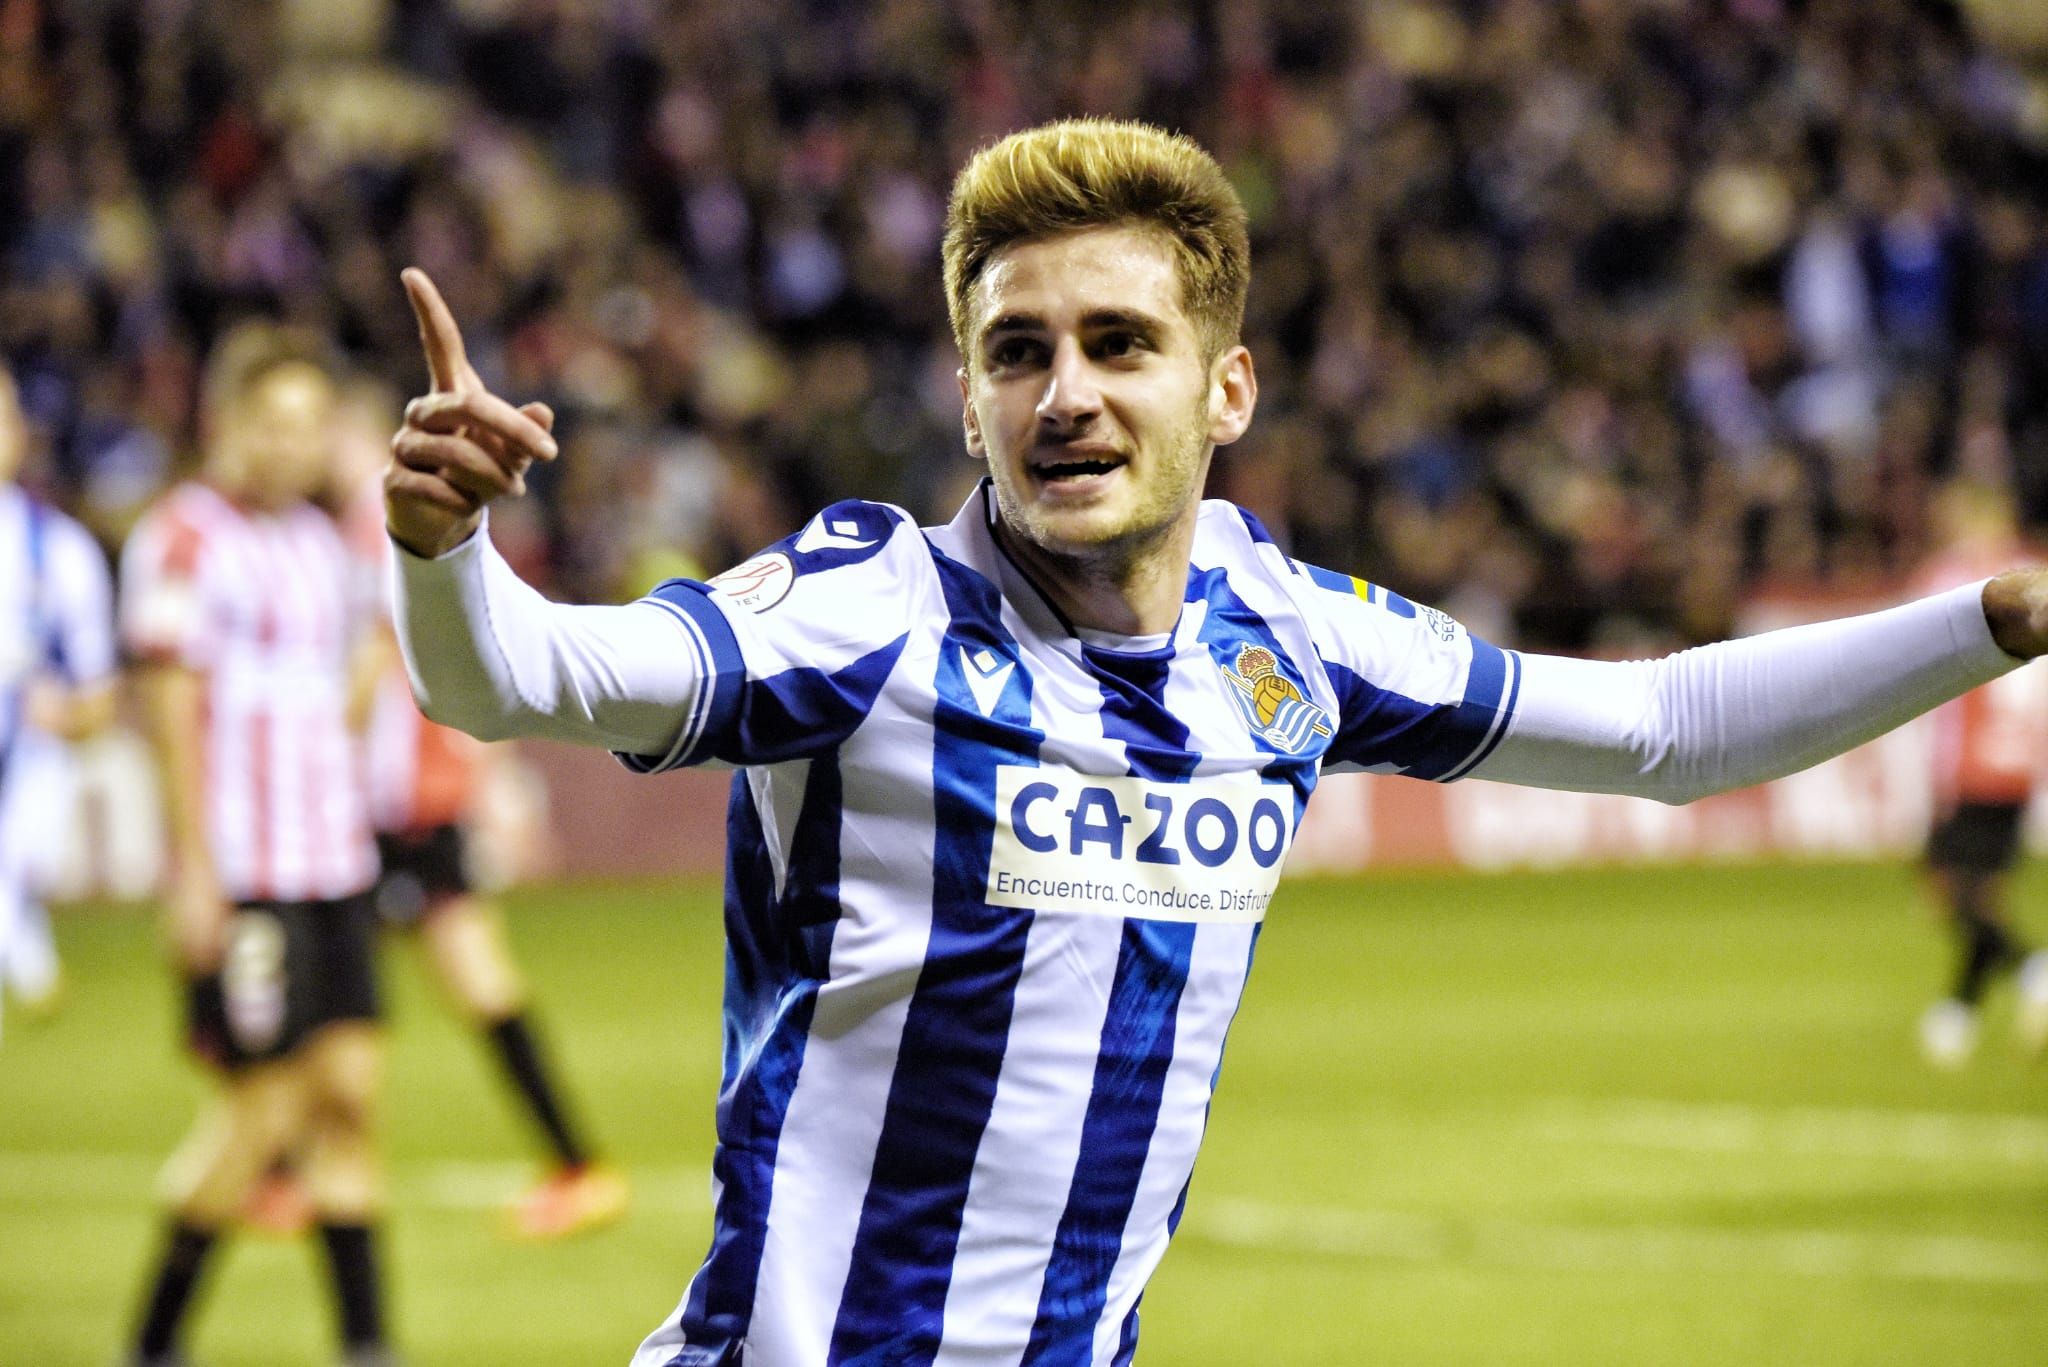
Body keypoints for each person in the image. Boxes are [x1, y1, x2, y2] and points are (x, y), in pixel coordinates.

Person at [384, 120, 2048, 1364]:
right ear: (965, 401)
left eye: (1119, 344)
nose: (1063, 396)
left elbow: (1669, 729)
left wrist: (1985, 621)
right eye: (1015, 353)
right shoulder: (865, 608)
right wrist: (446, 549)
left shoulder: (1284, 632)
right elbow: (520, 679)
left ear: (1225, 390)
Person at [120, 324, 396, 1367]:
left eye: (312, 424)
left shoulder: (320, 543)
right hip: (248, 872)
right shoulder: (183, 538)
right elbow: (172, 710)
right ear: (224, 422)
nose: (295, 444)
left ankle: (368, 1345)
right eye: (274, 422)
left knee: (353, 1099)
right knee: (261, 1114)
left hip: (334, 864)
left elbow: (342, 691)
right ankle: (151, 1342)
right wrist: (193, 873)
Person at [335, 384, 628, 1239]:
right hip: (411, 799)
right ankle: (576, 1162)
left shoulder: (366, 526)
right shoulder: (369, 524)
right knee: (449, 981)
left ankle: (575, 1162)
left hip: (395, 803)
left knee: (349, 986)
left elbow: (383, 659)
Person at [1912, 478, 2048, 1066]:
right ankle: (1958, 1012)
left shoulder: (1956, 582)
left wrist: (1939, 779)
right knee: (1975, 893)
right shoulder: (2037, 576)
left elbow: (1928, 681)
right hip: (2020, 765)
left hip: (1973, 765)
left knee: (1949, 887)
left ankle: (2032, 971)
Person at [0, 361, 117, 1039]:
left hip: (30, 761)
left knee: (15, 857)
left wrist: (63, 715)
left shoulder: (60, 553)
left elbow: (98, 697)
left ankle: (31, 962)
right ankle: (34, 965)